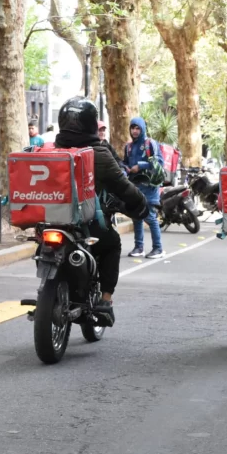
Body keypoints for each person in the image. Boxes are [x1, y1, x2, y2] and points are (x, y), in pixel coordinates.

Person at [53, 97, 149, 326]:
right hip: (85, 224)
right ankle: (105, 300)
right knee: (112, 243)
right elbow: (124, 187)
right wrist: (141, 205)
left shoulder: (51, 151)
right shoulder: (99, 153)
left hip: (52, 221)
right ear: (90, 124)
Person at [123, 117, 165, 259]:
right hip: (135, 185)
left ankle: (158, 248)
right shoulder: (128, 147)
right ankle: (139, 247)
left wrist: (140, 166)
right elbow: (125, 162)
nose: (135, 131)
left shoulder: (150, 144)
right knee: (136, 216)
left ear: (142, 129)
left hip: (149, 186)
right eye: (132, 128)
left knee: (150, 217)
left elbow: (159, 162)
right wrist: (125, 169)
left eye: (137, 128)